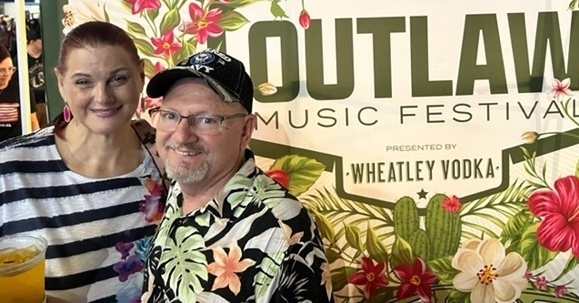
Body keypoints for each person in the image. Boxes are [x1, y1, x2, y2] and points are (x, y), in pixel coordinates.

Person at [141, 48, 334, 302]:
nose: (181, 135)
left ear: (245, 130)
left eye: (206, 120)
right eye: (170, 115)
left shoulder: (282, 228)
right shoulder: (180, 188)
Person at [0, 21, 167, 303]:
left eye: (118, 79)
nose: (102, 96)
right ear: (61, 82)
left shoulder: (168, 158)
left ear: (140, 76)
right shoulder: (9, 168)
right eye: (83, 82)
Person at [0, 43, 39, 140]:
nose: (7, 74)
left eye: (10, 69)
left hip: (17, 144)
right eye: (2, 70)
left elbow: (32, 121)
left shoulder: (21, 89)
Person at [26, 21, 48, 127]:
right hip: (31, 104)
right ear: (33, 41)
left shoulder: (47, 56)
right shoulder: (21, 58)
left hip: (46, 102)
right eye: (41, 40)